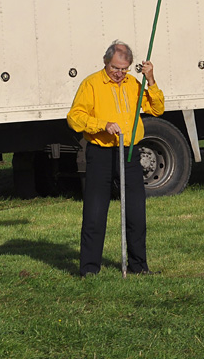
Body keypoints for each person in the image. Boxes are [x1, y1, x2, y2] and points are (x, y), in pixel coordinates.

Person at [67, 40, 165, 277]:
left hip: (129, 152)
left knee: (135, 211)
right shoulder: (91, 84)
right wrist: (102, 125)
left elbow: (156, 109)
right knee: (95, 211)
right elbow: (75, 118)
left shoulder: (133, 84)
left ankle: (138, 266)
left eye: (124, 69)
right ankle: (89, 269)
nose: (120, 73)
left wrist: (150, 80)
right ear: (105, 61)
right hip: (101, 152)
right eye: (115, 68)